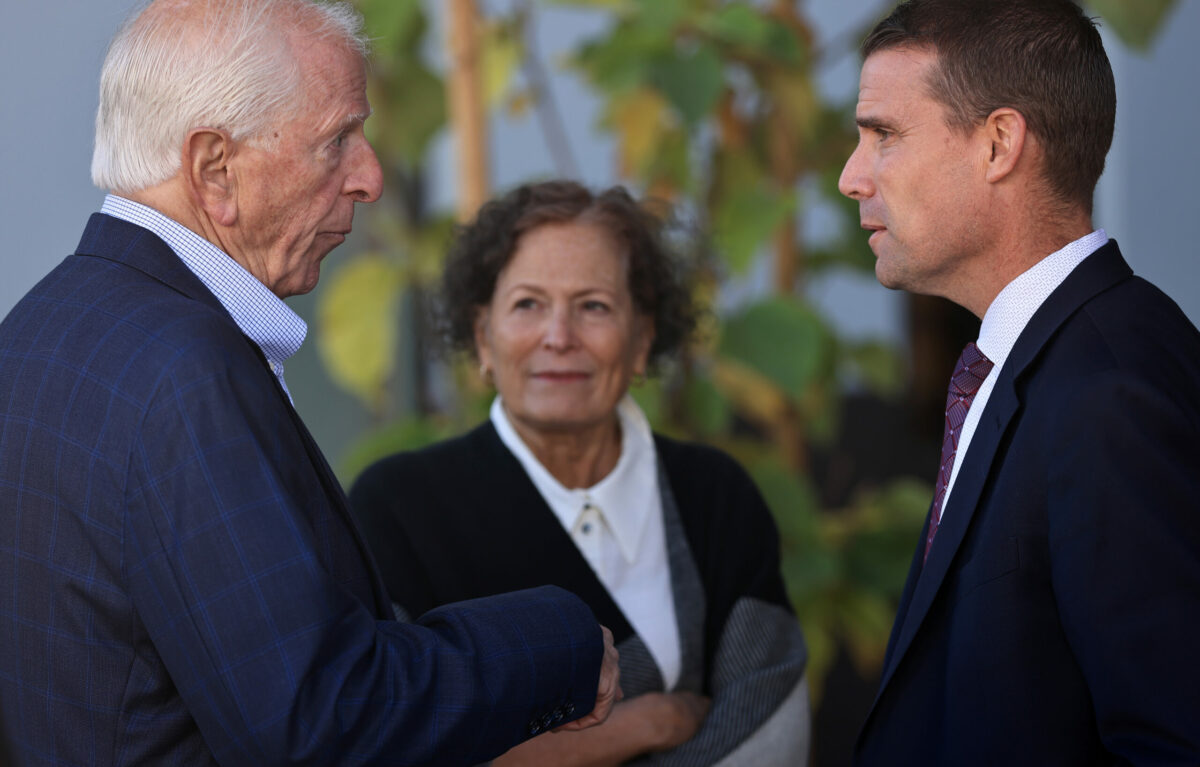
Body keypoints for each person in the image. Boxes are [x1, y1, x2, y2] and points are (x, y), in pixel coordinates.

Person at [0, 1, 621, 764]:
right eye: (337, 141)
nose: (370, 176)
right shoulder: (187, 373)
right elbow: (320, 724)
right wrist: (561, 640)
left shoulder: (36, 328)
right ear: (214, 169)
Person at [838, 0, 1200, 763]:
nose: (851, 175)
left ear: (999, 143)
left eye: (884, 134)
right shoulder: (1051, 359)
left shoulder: (1109, 394)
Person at [350, 180, 811, 766]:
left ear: (643, 339)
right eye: (527, 305)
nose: (559, 337)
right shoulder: (398, 508)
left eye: (593, 306)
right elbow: (392, 741)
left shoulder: (715, 497)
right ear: (483, 337)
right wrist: (635, 727)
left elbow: (769, 721)